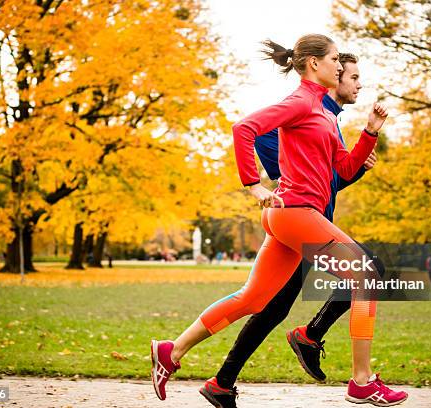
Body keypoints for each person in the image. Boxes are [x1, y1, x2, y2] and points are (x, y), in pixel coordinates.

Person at [151, 34, 407, 406]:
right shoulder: (300, 101)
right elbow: (245, 129)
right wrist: (253, 185)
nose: (340, 66)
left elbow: (345, 167)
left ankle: (171, 352)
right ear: (314, 64)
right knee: (366, 275)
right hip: (295, 211)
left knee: (253, 299)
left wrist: (369, 133)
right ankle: (362, 381)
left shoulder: (322, 111)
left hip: (292, 216)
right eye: (336, 59)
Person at [199, 52, 385, 408]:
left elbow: (329, 182)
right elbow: (289, 175)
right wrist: (256, 184)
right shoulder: (301, 114)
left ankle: (225, 382)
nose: (359, 84)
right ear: (334, 75)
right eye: (353, 77)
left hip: (315, 223)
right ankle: (307, 340)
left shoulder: (329, 120)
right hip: (295, 223)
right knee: (270, 304)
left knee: (272, 307)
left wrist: (356, 164)